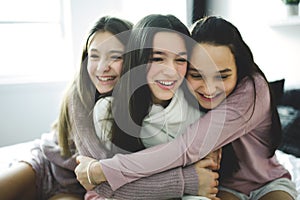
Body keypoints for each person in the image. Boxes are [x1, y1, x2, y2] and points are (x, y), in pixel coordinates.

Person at [76, 16, 298, 200]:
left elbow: (185, 149)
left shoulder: (252, 90)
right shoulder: (171, 92)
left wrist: (104, 170)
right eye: (196, 74)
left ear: (239, 70)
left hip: (266, 181)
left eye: (223, 76)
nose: (210, 88)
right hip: (225, 185)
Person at [75, 14, 221, 200]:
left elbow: (207, 179)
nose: (170, 71)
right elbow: (106, 187)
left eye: (180, 60)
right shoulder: (108, 112)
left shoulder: (197, 110)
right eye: (158, 58)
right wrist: (185, 180)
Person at [0, 16, 133, 200]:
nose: (102, 67)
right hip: (46, 165)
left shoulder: (137, 105)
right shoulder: (79, 94)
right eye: (94, 56)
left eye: (115, 57)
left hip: (78, 187)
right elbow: (97, 155)